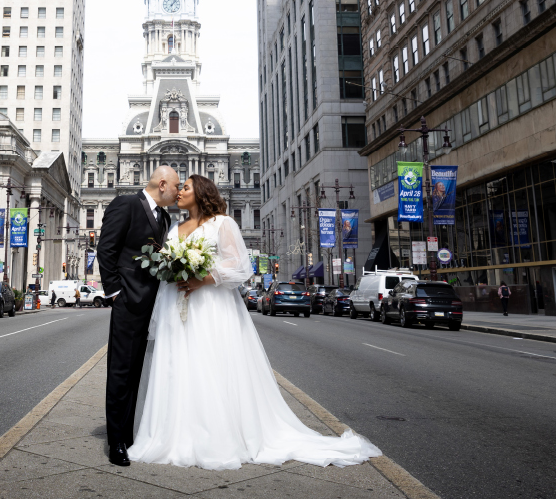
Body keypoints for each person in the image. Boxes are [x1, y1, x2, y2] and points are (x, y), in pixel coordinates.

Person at [128, 175, 381, 470]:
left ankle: (217, 436)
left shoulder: (223, 223)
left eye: (185, 187)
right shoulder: (174, 227)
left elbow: (240, 267)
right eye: (179, 187)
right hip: (178, 304)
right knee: (178, 365)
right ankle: (174, 434)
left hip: (210, 305)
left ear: (202, 192)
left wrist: (204, 278)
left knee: (210, 365)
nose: (179, 191)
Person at [96, 164, 179, 467]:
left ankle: (129, 435)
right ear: (161, 184)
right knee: (120, 371)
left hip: (152, 305)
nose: (178, 191)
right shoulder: (126, 204)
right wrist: (115, 292)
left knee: (136, 372)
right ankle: (116, 441)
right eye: (175, 186)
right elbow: (105, 249)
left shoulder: (165, 217)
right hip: (127, 302)